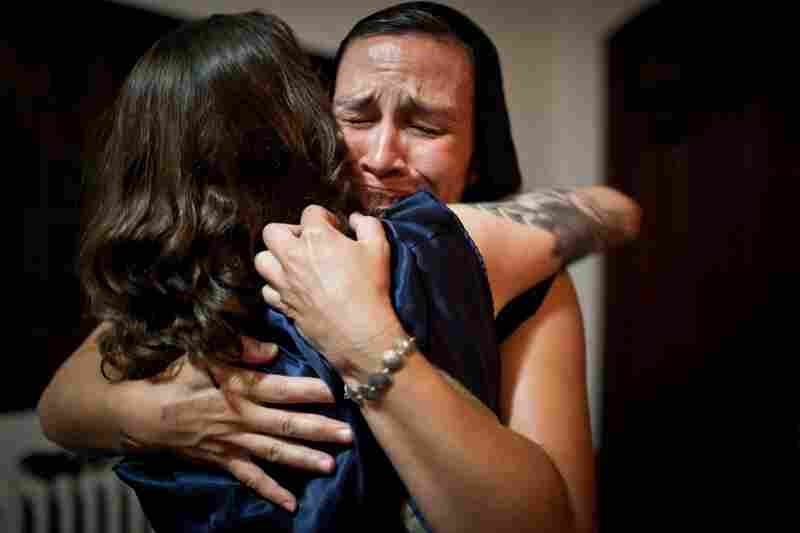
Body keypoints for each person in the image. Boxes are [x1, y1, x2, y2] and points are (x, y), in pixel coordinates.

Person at [38, 4, 639, 532]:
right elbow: (64, 401)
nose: (381, 158)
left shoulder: (533, 283)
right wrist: (160, 414)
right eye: (355, 118)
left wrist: (364, 338)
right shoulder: (250, 250)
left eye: (426, 126)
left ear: (480, 149)